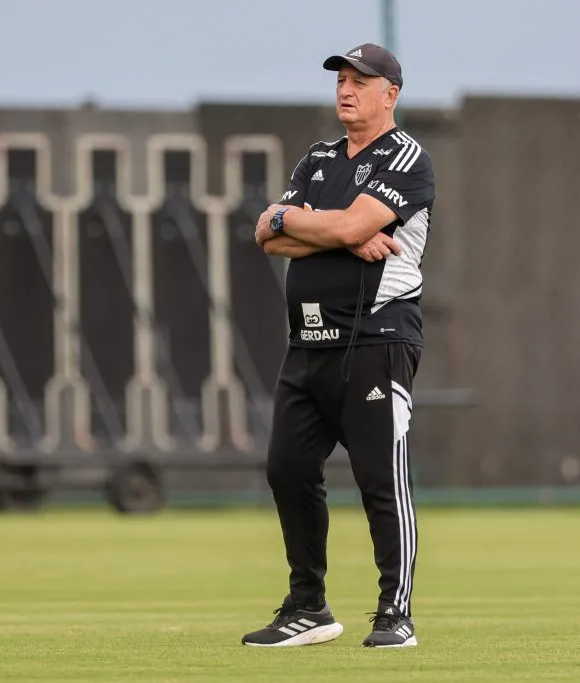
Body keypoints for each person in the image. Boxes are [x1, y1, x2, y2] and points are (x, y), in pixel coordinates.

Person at [241, 43, 435, 649]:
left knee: (381, 480)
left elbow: (321, 223)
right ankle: (309, 608)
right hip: (307, 344)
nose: (346, 91)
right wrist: (343, 235)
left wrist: (307, 222)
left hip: (376, 339)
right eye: (341, 81)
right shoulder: (319, 157)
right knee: (287, 470)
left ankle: (395, 614)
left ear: (391, 94)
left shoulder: (406, 157)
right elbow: (266, 234)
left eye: (361, 81)